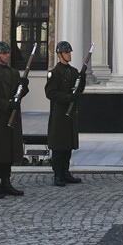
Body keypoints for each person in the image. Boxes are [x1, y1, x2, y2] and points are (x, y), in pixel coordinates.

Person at [0, 40, 27, 199]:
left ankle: (6, 182)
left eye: (8, 53)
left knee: (8, 151)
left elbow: (19, 94)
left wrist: (24, 87)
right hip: (1, 117)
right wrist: (7, 104)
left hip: (13, 117)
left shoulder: (14, 73)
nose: (7, 56)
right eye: (4, 53)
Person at [45, 40, 85, 186]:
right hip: (59, 112)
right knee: (58, 145)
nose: (69, 54)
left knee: (68, 143)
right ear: (60, 54)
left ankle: (66, 172)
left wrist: (82, 82)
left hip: (71, 112)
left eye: (69, 52)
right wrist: (68, 97)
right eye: (67, 52)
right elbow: (50, 93)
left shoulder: (74, 72)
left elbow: (78, 90)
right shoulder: (54, 73)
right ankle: (58, 174)